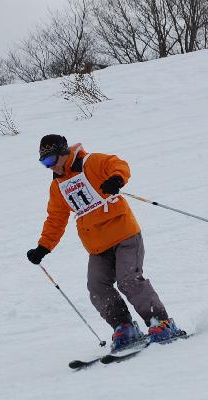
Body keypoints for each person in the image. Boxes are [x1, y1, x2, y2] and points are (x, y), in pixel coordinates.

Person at [27, 134, 182, 351]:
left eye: (51, 160)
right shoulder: (57, 187)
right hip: (97, 246)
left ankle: (161, 322)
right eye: (44, 162)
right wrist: (43, 247)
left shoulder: (91, 162)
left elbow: (118, 164)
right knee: (97, 287)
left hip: (124, 235)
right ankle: (124, 327)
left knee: (128, 280)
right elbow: (56, 219)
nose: (49, 166)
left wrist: (117, 179)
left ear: (64, 153)